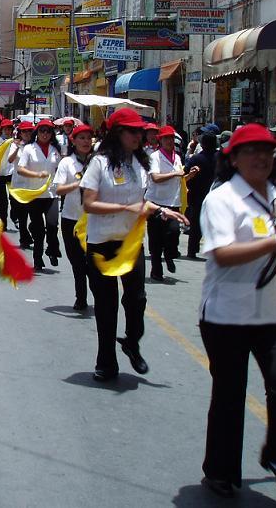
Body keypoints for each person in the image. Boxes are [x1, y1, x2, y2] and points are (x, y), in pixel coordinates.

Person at [197, 123, 276, 497]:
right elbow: (222, 254)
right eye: (250, 151)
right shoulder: (222, 199)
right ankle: (220, 471)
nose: (260, 157)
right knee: (230, 395)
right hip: (227, 314)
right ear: (232, 158)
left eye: (266, 150)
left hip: (274, 311)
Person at [81, 109, 187, 381]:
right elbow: (89, 204)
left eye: (141, 131)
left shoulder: (140, 164)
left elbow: (142, 202)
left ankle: (131, 341)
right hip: (102, 243)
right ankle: (106, 361)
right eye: (132, 131)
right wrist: (125, 207)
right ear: (117, 134)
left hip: (131, 242)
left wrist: (163, 211)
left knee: (137, 299)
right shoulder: (99, 163)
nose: (139, 135)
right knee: (107, 305)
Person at [146, 125, 198, 280]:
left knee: (173, 232)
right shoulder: (154, 157)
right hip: (156, 202)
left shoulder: (177, 157)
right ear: (160, 140)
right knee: (156, 239)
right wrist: (176, 173)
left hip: (173, 202)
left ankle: (169, 255)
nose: (169, 141)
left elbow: (179, 180)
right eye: (166, 138)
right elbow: (155, 178)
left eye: (171, 138)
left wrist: (190, 175)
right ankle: (156, 270)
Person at [53, 123, 94, 310]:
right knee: (77, 262)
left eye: (88, 138)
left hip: (94, 220)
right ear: (74, 141)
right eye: (82, 138)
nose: (86, 141)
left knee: (92, 263)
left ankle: (99, 296)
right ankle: (81, 297)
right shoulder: (67, 163)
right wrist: (77, 184)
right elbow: (57, 189)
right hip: (71, 218)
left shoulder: (99, 162)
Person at [16, 119, 62, 271]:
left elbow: (62, 169)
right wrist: (36, 174)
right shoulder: (29, 149)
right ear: (37, 132)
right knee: (38, 229)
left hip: (51, 194)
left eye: (48, 131)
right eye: (42, 130)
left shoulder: (56, 149)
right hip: (34, 195)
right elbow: (20, 169)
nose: (45, 134)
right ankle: (37, 258)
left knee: (52, 225)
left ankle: (52, 249)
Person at [185, 131, 218, 259]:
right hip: (216, 196)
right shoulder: (221, 157)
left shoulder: (196, 158)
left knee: (195, 224)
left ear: (203, 144)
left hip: (197, 196)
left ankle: (192, 250)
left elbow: (185, 173)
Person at [9, 121, 36, 249]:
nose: (27, 133)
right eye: (24, 131)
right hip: (18, 184)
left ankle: (30, 233)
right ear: (20, 133)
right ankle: (23, 237)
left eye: (29, 131)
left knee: (33, 214)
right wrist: (18, 148)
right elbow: (10, 160)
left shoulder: (36, 146)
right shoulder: (15, 145)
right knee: (21, 214)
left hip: (32, 185)